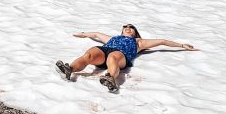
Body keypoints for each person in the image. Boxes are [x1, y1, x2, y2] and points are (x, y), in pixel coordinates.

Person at [55, 24, 196, 92]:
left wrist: (182, 45)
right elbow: (97, 34)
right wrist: (84, 33)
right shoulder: (113, 38)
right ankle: (70, 69)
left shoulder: (138, 42)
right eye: (125, 27)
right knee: (91, 53)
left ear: (135, 32)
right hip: (104, 52)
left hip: (120, 56)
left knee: (113, 57)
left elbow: (163, 41)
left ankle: (110, 78)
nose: (128, 28)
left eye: (131, 27)